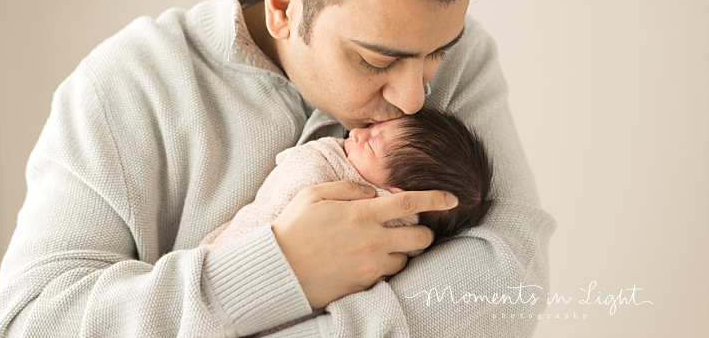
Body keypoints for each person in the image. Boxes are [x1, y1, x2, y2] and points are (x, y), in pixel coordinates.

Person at [0, 0, 555, 337]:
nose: (414, 97)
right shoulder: (129, 83)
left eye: (436, 53)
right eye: (375, 60)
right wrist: (280, 269)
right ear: (283, 5)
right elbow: (33, 320)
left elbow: (509, 280)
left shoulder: (458, 52)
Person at [202, 108, 494, 251]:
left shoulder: (324, 171)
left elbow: (296, 167)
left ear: (395, 198)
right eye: (373, 127)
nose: (356, 132)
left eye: (371, 143)